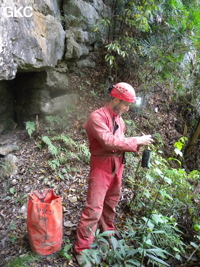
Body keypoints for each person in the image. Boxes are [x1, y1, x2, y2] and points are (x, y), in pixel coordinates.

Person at [74, 82, 153, 267]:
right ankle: (82, 248)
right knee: (94, 207)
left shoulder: (120, 120)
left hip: (118, 164)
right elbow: (109, 142)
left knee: (111, 201)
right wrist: (135, 140)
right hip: (101, 164)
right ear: (116, 99)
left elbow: (120, 142)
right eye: (125, 104)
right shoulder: (97, 117)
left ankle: (107, 230)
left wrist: (137, 146)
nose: (126, 109)